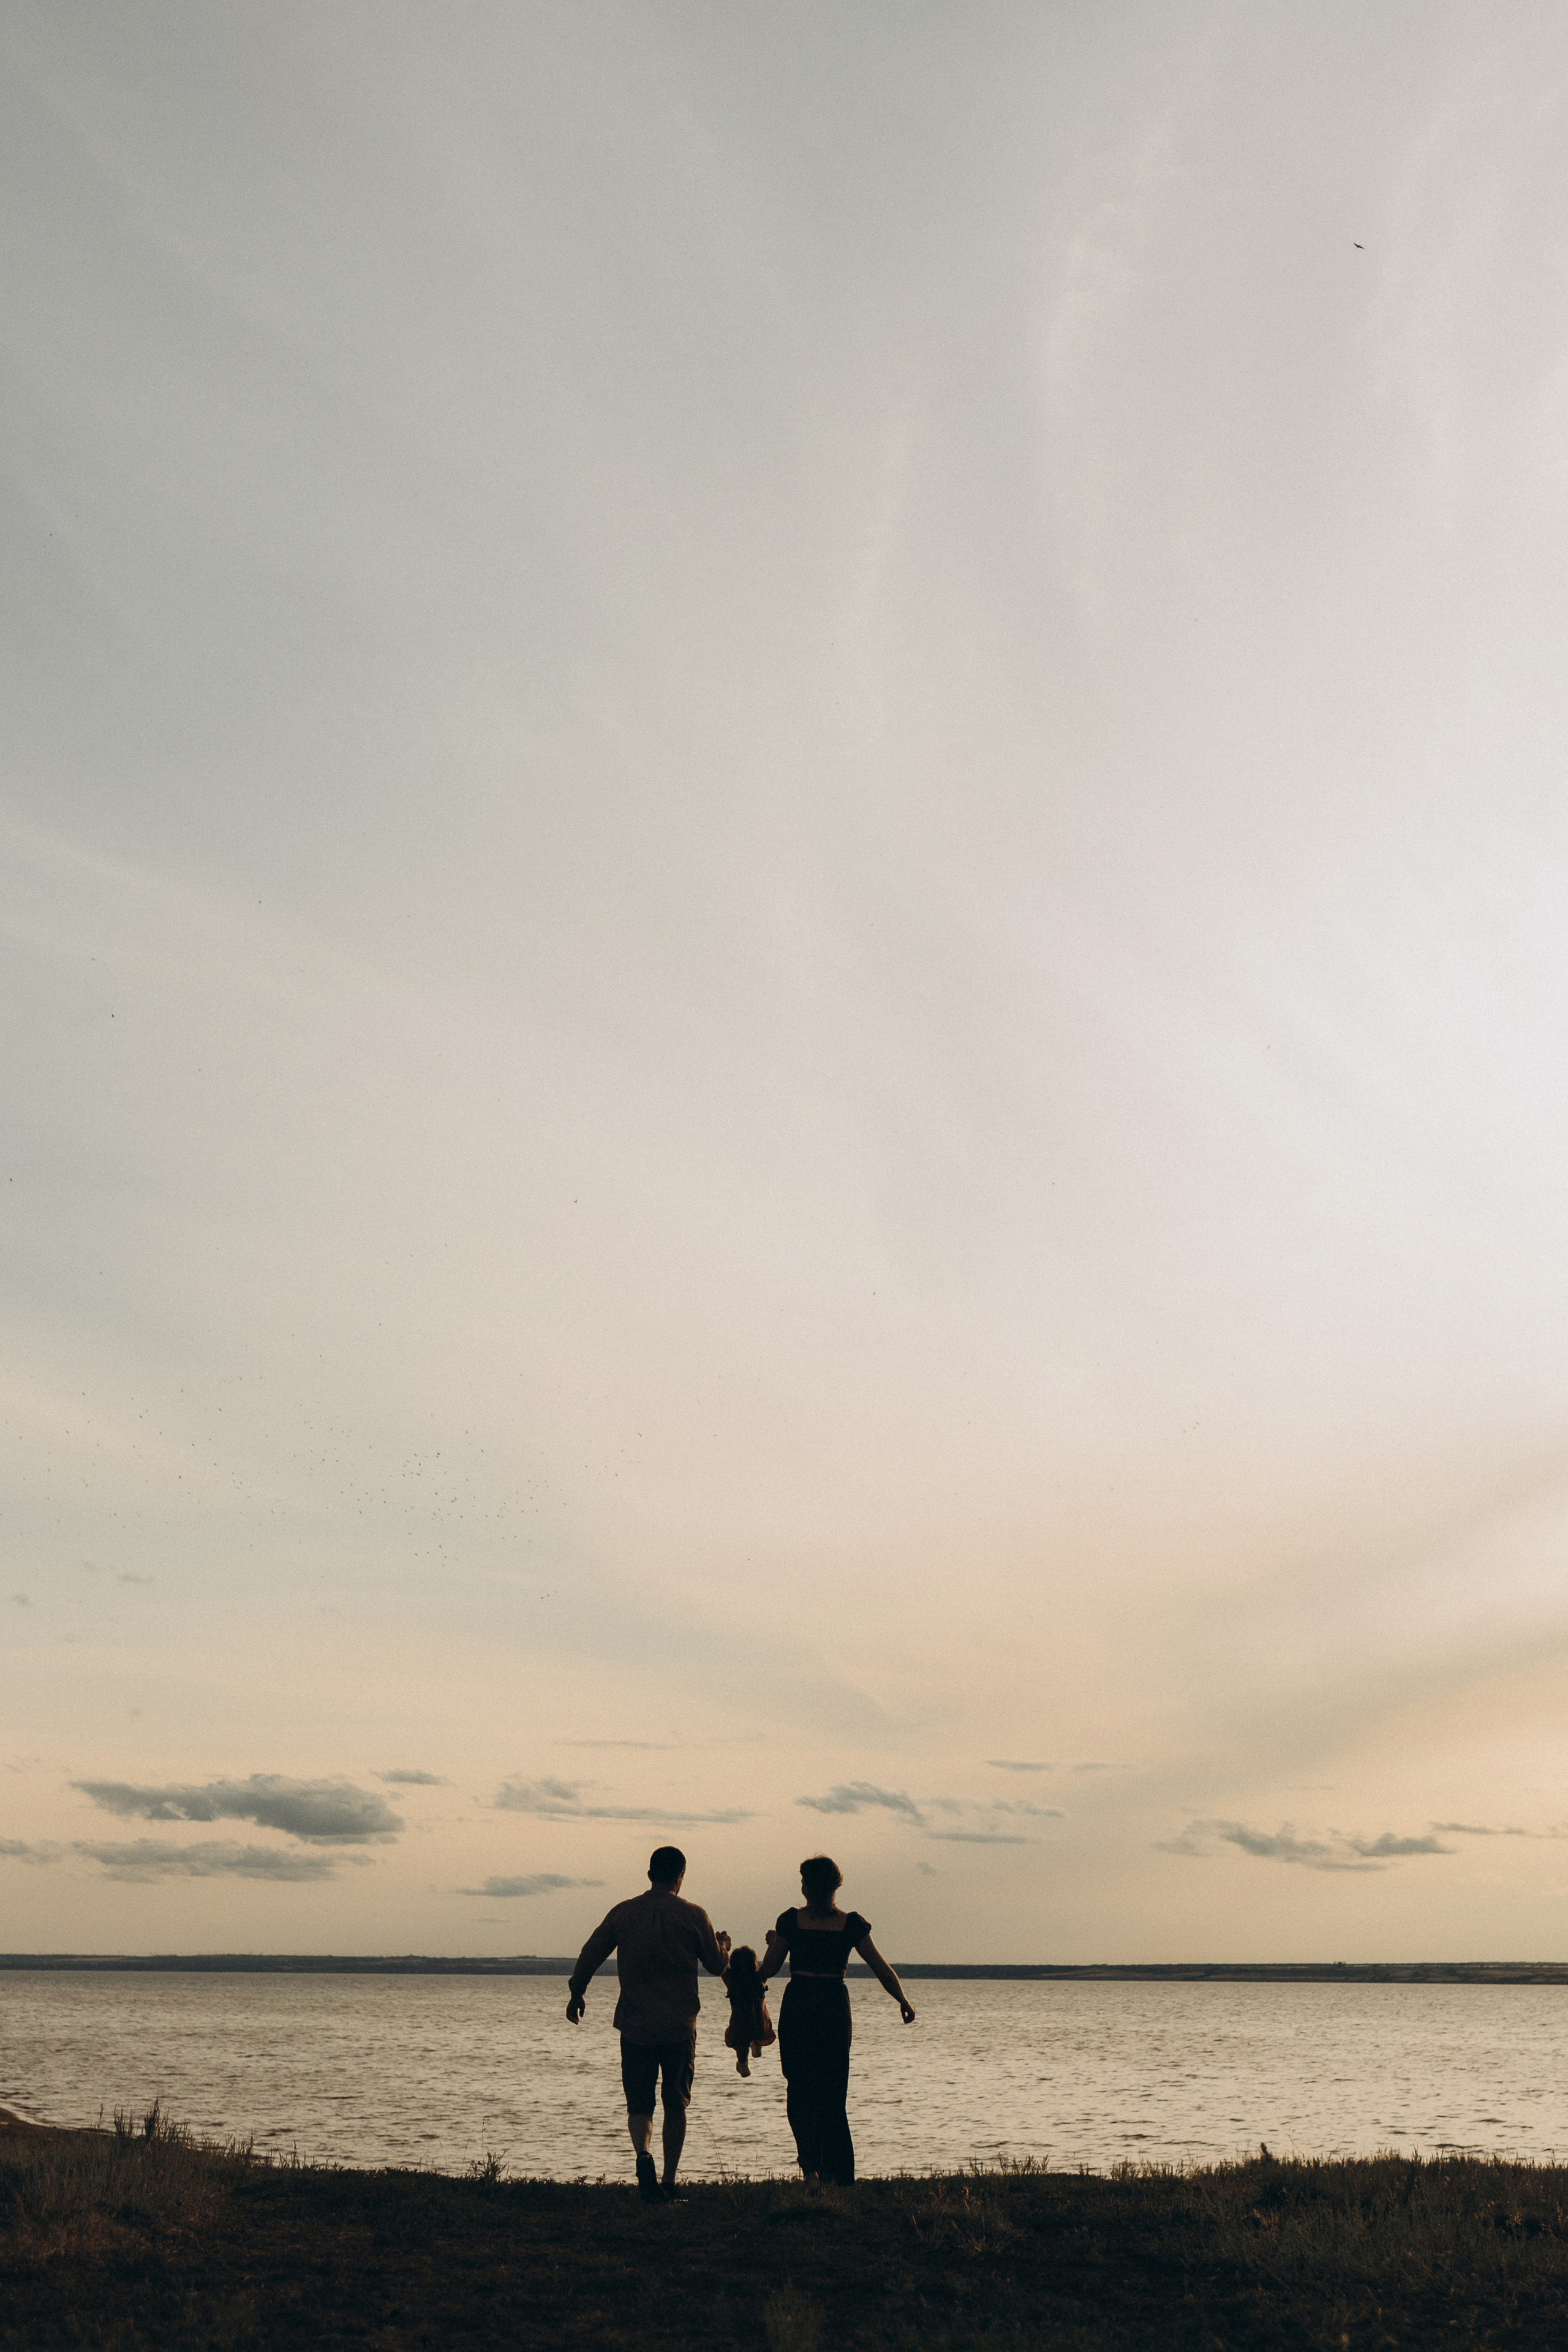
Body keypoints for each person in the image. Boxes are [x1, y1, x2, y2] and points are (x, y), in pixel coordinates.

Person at [565, 1845, 729, 2204]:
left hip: (636, 2024)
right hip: (679, 2027)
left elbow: (591, 1952)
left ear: (650, 1874)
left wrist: (578, 1991)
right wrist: (724, 1946)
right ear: (680, 1877)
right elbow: (718, 1967)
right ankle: (669, 2182)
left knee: (639, 2103)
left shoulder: (624, 1913)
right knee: (676, 2103)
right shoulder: (694, 1915)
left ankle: (643, 2155)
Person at [757, 1853, 914, 2184]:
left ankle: (811, 2169)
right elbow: (881, 1969)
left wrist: (749, 1965)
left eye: (803, 1881)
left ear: (807, 1887)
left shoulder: (790, 1921)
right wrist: (902, 2000)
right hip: (832, 2007)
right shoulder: (850, 1924)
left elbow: (768, 1971)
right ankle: (838, 2175)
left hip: (800, 2004)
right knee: (832, 2094)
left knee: (799, 2090)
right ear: (834, 1887)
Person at [721, 1944, 775, 2076]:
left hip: (739, 2025)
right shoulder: (759, 1980)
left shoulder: (732, 1982)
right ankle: (757, 2043)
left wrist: (723, 1948)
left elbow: (721, 1967)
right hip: (759, 2024)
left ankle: (743, 2062)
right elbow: (769, 1964)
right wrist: (771, 1945)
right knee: (760, 2029)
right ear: (754, 1964)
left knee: (741, 2043)